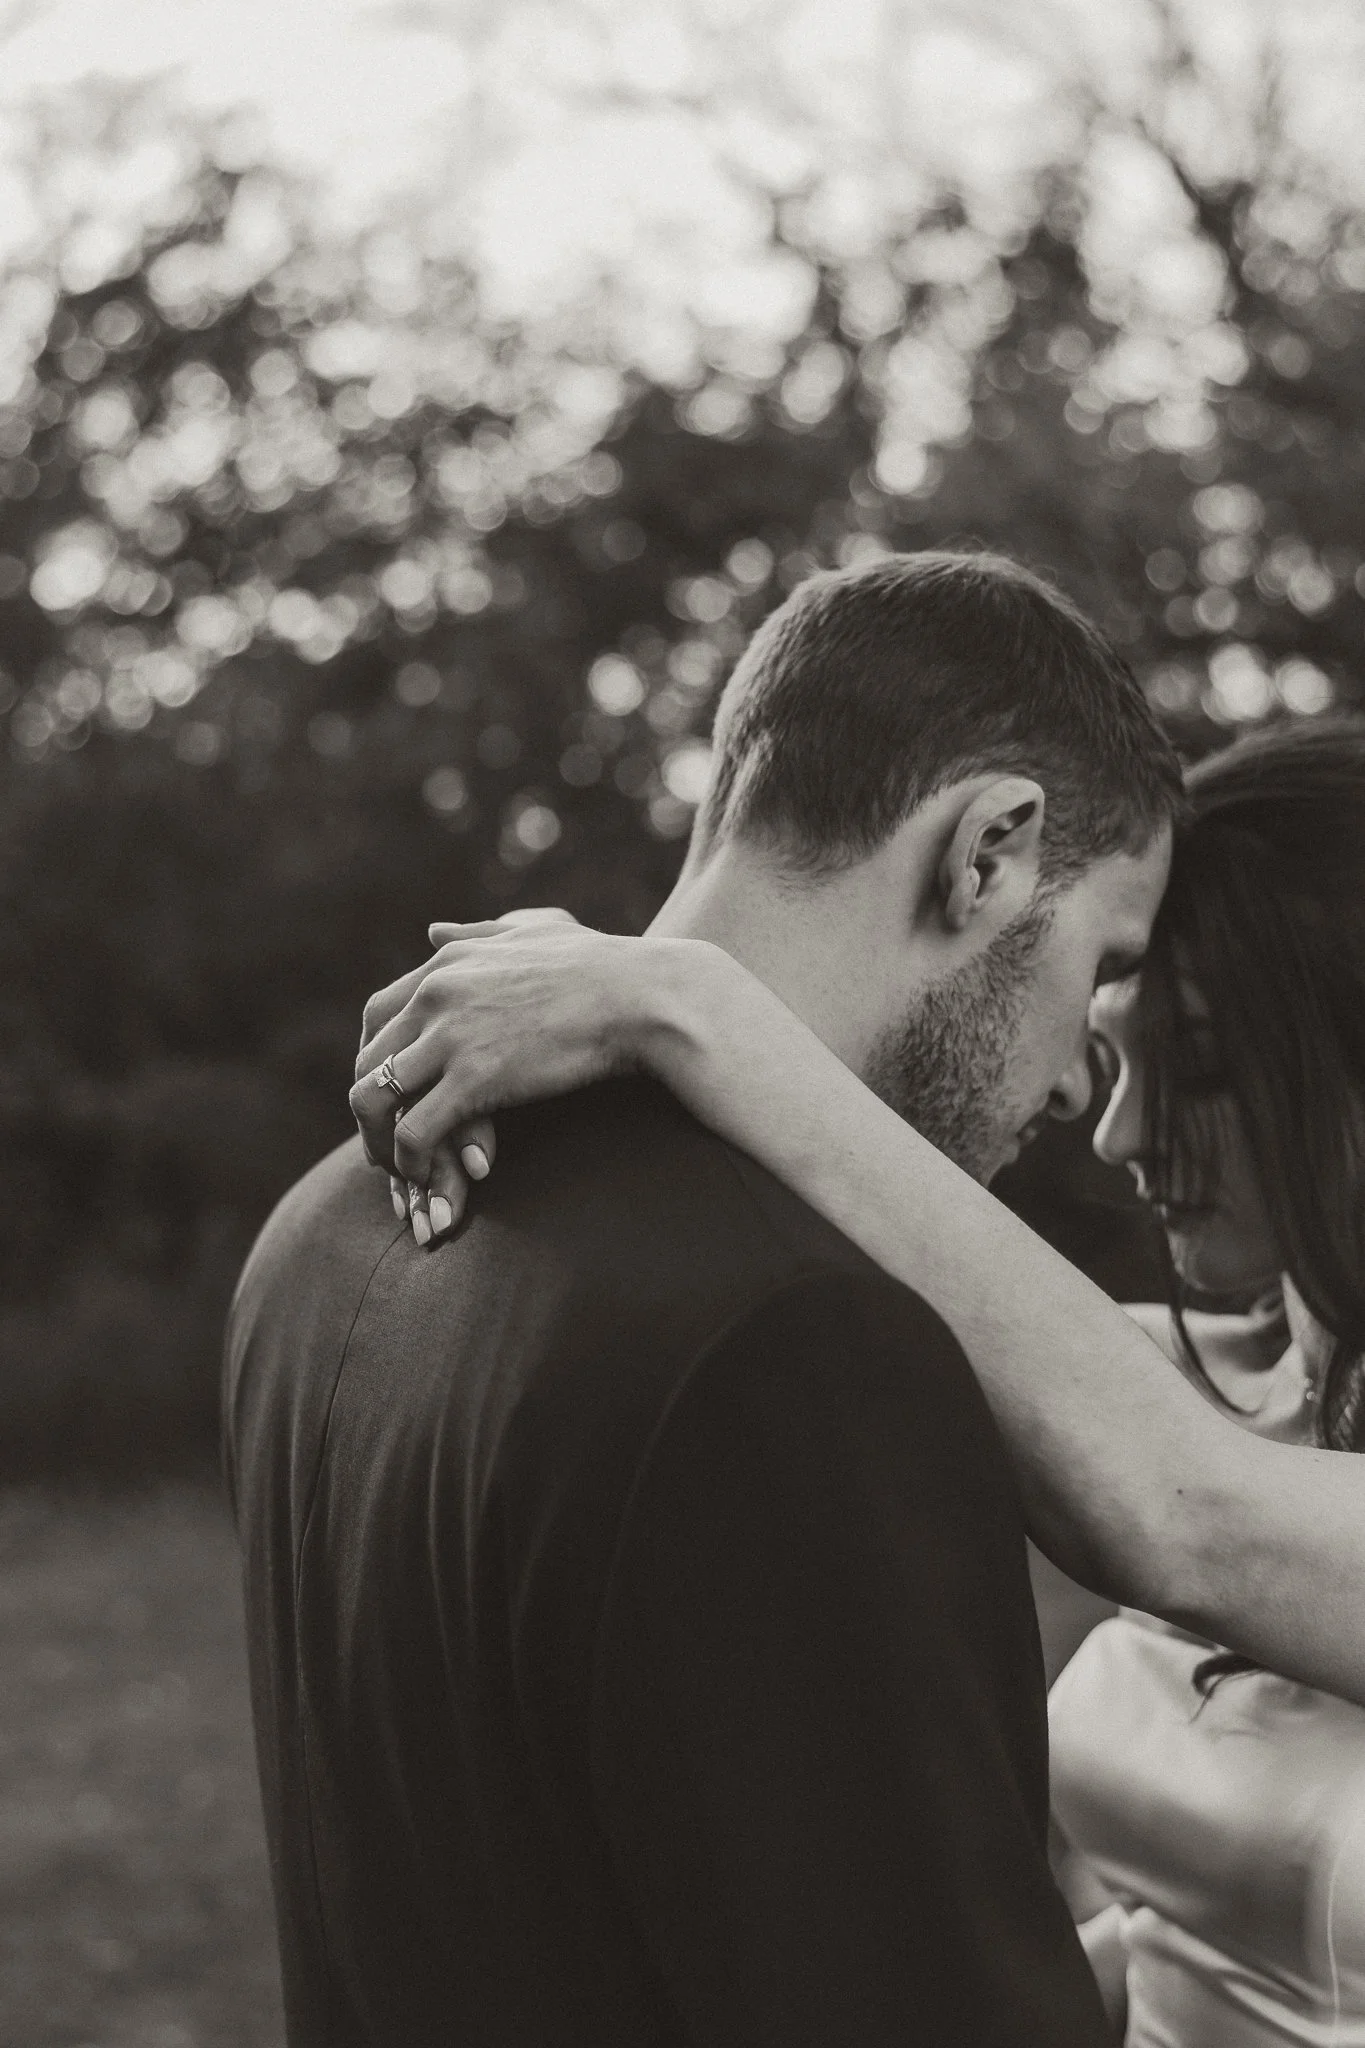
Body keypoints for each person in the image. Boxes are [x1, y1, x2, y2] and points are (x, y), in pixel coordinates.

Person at [227, 549, 1184, 2047]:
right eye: (1100, 962)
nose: (1075, 1076)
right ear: (990, 848)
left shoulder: (325, 1225)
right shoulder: (804, 1341)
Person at [355, 710, 1365, 2047]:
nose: (1117, 1132)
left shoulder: (1174, 1457)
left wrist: (686, 1001)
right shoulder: (1182, 1377)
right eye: (1119, 1058)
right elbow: (1221, 1948)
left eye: (1211, 1066)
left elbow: (1176, 1512)